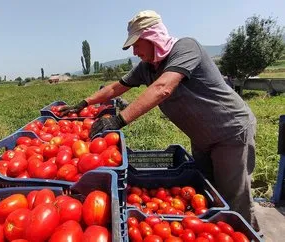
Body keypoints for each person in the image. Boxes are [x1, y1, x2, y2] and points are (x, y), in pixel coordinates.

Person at [60, 10, 260, 233]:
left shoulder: (185, 48)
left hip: (230, 131)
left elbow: (163, 88)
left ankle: (251, 235)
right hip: (202, 138)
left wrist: (119, 120)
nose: (135, 52)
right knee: (208, 194)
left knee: (235, 199)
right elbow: (116, 87)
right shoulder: (147, 68)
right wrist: (83, 103)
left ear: (153, 36)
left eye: (137, 44)